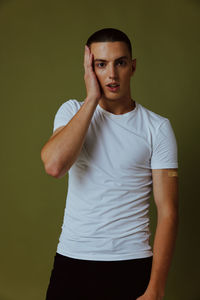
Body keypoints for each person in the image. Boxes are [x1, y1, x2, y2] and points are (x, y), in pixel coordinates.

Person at [41, 28, 179, 300]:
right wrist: (92, 98)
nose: (112, 75)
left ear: (133, 66)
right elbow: (55, 165)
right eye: (101, 65)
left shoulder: (157, 128)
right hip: (73, 259)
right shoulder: (72, 111)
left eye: (120, 63)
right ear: (89, 69)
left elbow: (168, 212)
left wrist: (156, 289)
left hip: (131, 263)